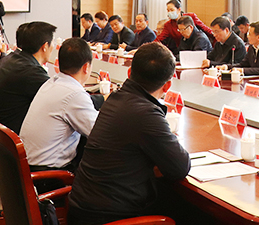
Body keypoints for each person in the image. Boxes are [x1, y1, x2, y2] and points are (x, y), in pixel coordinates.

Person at [67, 43, 192, 225]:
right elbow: (180, 168)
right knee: (187, 212)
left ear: (129, 72)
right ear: (167, 86)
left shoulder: (115, 98)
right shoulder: (146, 113)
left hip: (82, 209)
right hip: (108, 218)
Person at [20, 38, 104, 172]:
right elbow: (100, 133)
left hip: (28, 165)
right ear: (86, 67)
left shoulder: (52, 82)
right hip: (48, 174)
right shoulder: (75, 94)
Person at [0, 21, 57, 150]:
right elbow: (62, 99)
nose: (54, 46)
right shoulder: (30, 71)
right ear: (45, 46)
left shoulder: (13, 59)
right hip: (4, 149)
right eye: (53, 43)